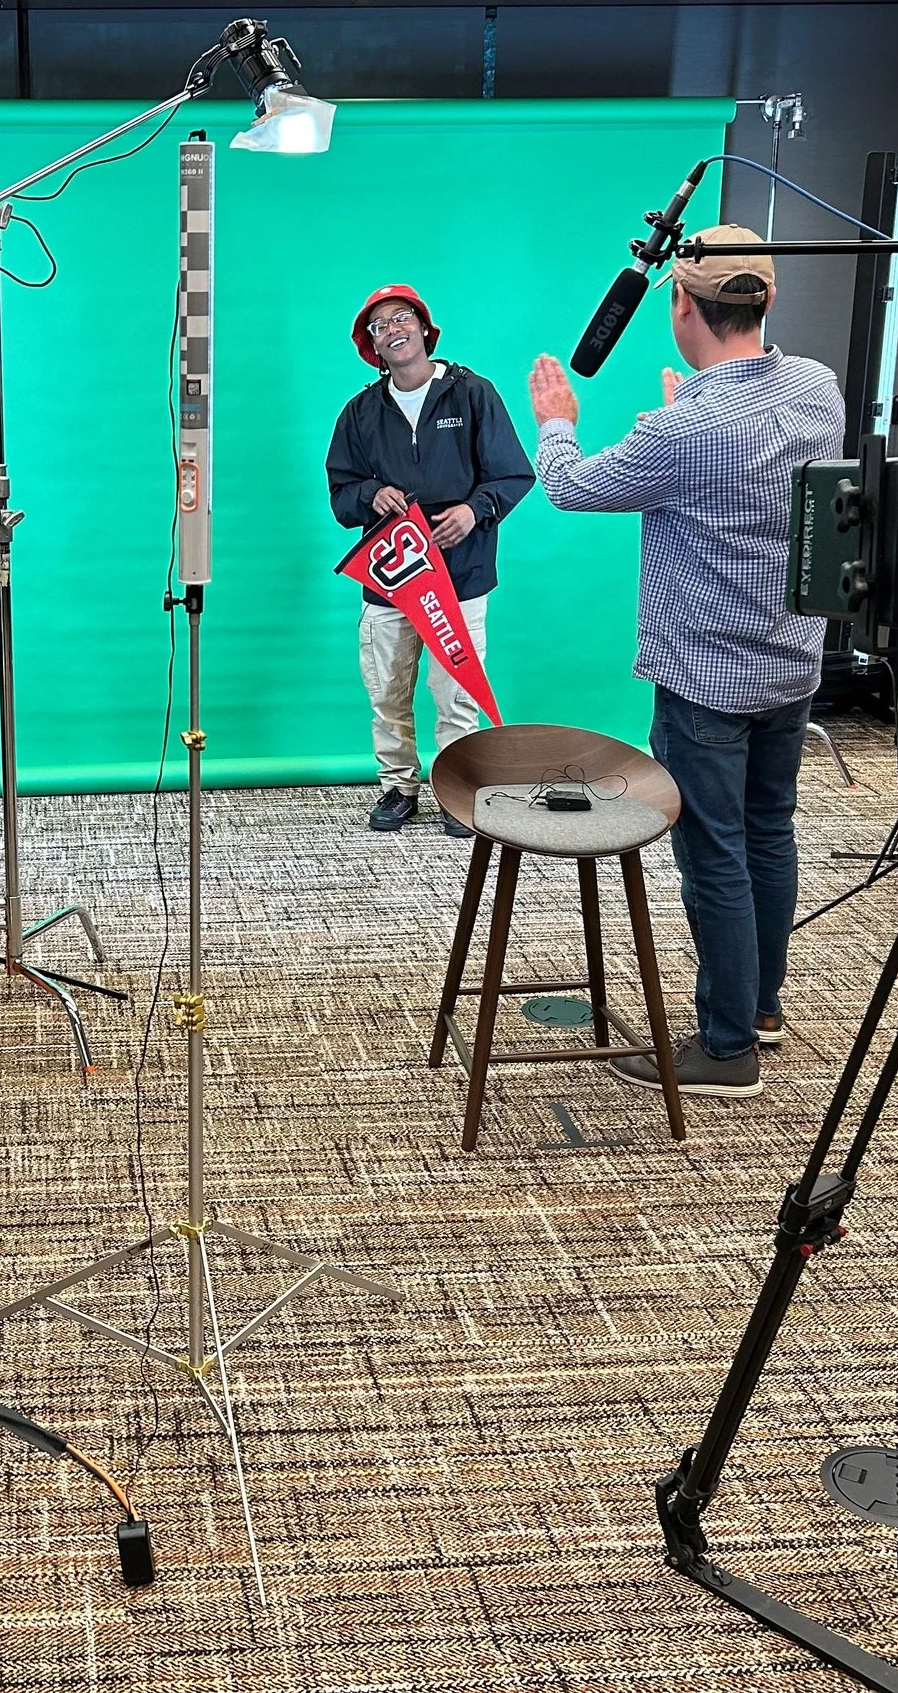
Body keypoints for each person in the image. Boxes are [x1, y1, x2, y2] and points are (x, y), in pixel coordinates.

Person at [527, 229, 845, 1099]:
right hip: (791, 664)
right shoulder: (816, 388)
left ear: (679, 304)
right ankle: (762, 1007)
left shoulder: (687, 429)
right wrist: (686, 409)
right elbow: (740, 460)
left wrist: (559, 424)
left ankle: (727, 1045)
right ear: (765, 302)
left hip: (706, 679)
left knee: (716, 854)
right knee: (769, 830)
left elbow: (570, 485)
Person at [327, 283, 533, 836]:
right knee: (387, 691)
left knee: (456, 691)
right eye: (379, 326)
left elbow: (513, 473)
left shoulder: (472, 394)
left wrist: (476, 510)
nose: (393, 331)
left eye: (402, 319)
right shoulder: (360, 413)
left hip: (460, 578)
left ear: (423, 328)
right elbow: (341, 495)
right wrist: (371, 493)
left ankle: (455, 786)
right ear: (370, 344)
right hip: (389, 580)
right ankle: (398, 785)